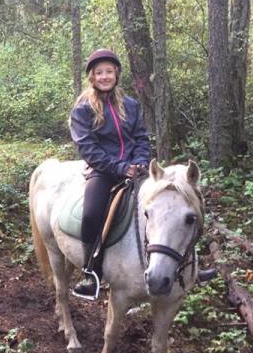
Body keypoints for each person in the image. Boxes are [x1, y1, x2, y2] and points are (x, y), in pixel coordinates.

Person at [69, 48, 215, 299]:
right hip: (103, 171)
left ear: (116, 74)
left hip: (135, 169)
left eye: (109, 72)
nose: (105, 76)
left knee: (178, 209)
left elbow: (140, 137)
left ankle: (191, 266)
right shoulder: (83, 109)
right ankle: (90, 272)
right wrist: (118, 167)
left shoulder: (130, 105)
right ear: (92, 77)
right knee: (92, 213)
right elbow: (87, 147)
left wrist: (139, 163)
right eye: (99, 73)